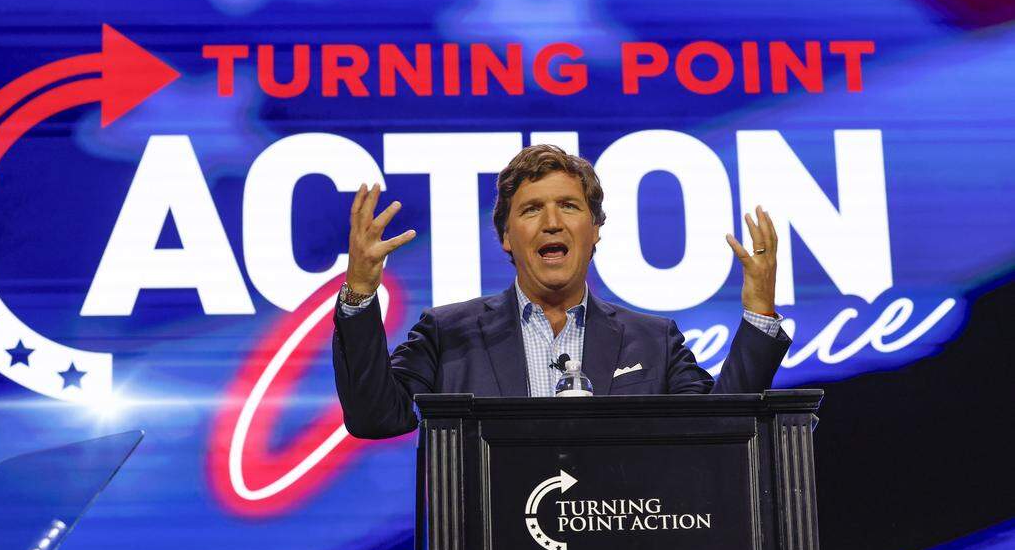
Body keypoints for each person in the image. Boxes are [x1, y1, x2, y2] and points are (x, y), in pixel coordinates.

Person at [332, 145, 789, 439]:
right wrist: (360, 294)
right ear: (506, 237)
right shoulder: (448, 334)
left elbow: (719, 429)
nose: (552, 222)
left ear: (595, 230)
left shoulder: (654, 340)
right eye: (532, 209)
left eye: (568, 206)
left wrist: (758, 314)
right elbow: (376, 418)